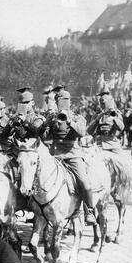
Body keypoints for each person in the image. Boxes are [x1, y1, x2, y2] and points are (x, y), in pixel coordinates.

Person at [41, 90, 97, 226]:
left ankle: (89, 211)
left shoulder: (77, 117)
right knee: (39, 178)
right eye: (60, 101)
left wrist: (69, 120)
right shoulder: (53, 117)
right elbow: (44, 137)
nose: (63, 103)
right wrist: (47, 123)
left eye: (65, 100)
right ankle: (39, 209)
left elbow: (82, 132)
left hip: (72, 155)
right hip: (54, 154)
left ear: (70, 102)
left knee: (84, 181)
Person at [87, 88, 124, 154]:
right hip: (99, 144)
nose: (102, 106)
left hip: (112, 143)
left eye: (104, 103)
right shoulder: (97, 114)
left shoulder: (116, 113)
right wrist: (98, 118)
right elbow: (89, 131)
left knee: (123, 162)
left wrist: (113, 117)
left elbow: (121, 128)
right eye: (101, 103)